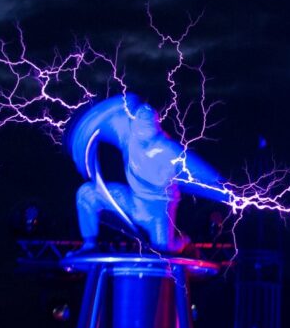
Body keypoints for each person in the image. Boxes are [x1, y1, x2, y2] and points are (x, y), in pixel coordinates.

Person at [68, 95, 228, 252]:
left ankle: (183, 240)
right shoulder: (127, 133)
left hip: (158, 212)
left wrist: (228, 194)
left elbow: (202, 172)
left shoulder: (169, 150)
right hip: (133, 201)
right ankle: (89, 245)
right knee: (86, 194)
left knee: (165, 251)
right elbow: (98, 121)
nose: (143, 137)